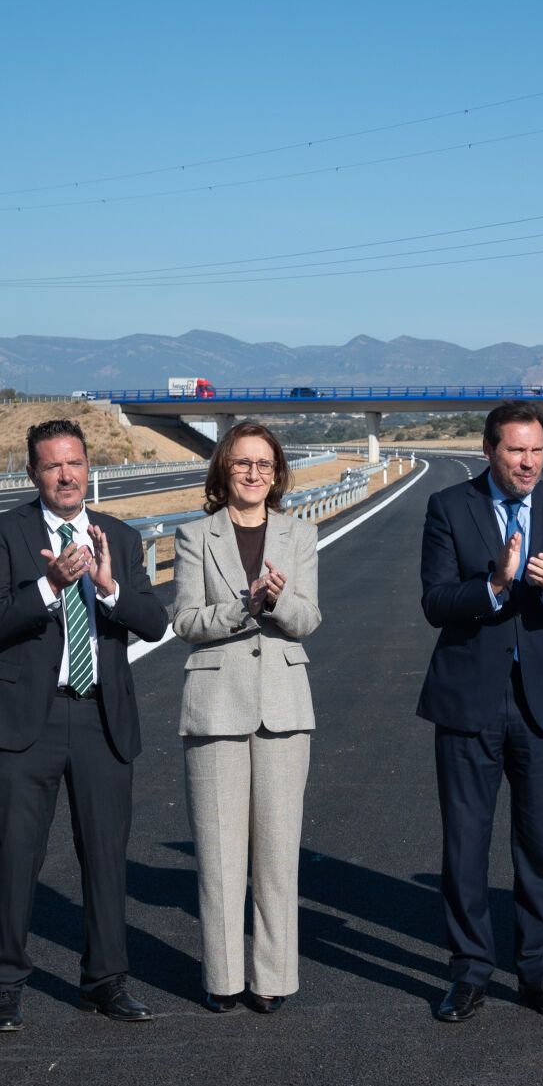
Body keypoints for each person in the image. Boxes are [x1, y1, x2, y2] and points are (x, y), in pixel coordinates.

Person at [0, 419, 169, 1032]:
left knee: (106, 857)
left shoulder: (122, 538)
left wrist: (107, 588)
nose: (66, 475)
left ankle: (105, 981)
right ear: (33, 473)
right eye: (53, 465)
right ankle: (4, 984)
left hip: (101, 717)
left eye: (75, 463)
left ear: (89, 468)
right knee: (14, 856)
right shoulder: (4, 533)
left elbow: (153, 622)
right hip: (27, 720)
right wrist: (50, 586)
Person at [417, 401, 543, 1023]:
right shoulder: (449, 507)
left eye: (538, 451)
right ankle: (468, 972)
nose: (529, 463)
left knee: (541, 847)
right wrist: (497, 584)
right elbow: (437, 601)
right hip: (469, 700)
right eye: (517, 451)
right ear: (490, 450)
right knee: (466, 847)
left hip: (542, 703)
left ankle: (539, 973)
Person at [171, 422, 321, 1014]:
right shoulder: (193, 535)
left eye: (264, 464)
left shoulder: (300, 535)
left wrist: (278, 601)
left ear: (278, 473)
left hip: (284, 704)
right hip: (215, 705)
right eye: (241, 464)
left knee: (279, 855)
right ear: (223, 472)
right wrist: (243, 605)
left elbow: (308, 619)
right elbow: (184, 621)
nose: (254, 474)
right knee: (219, 854)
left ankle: (273, 978)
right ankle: (224, 977)